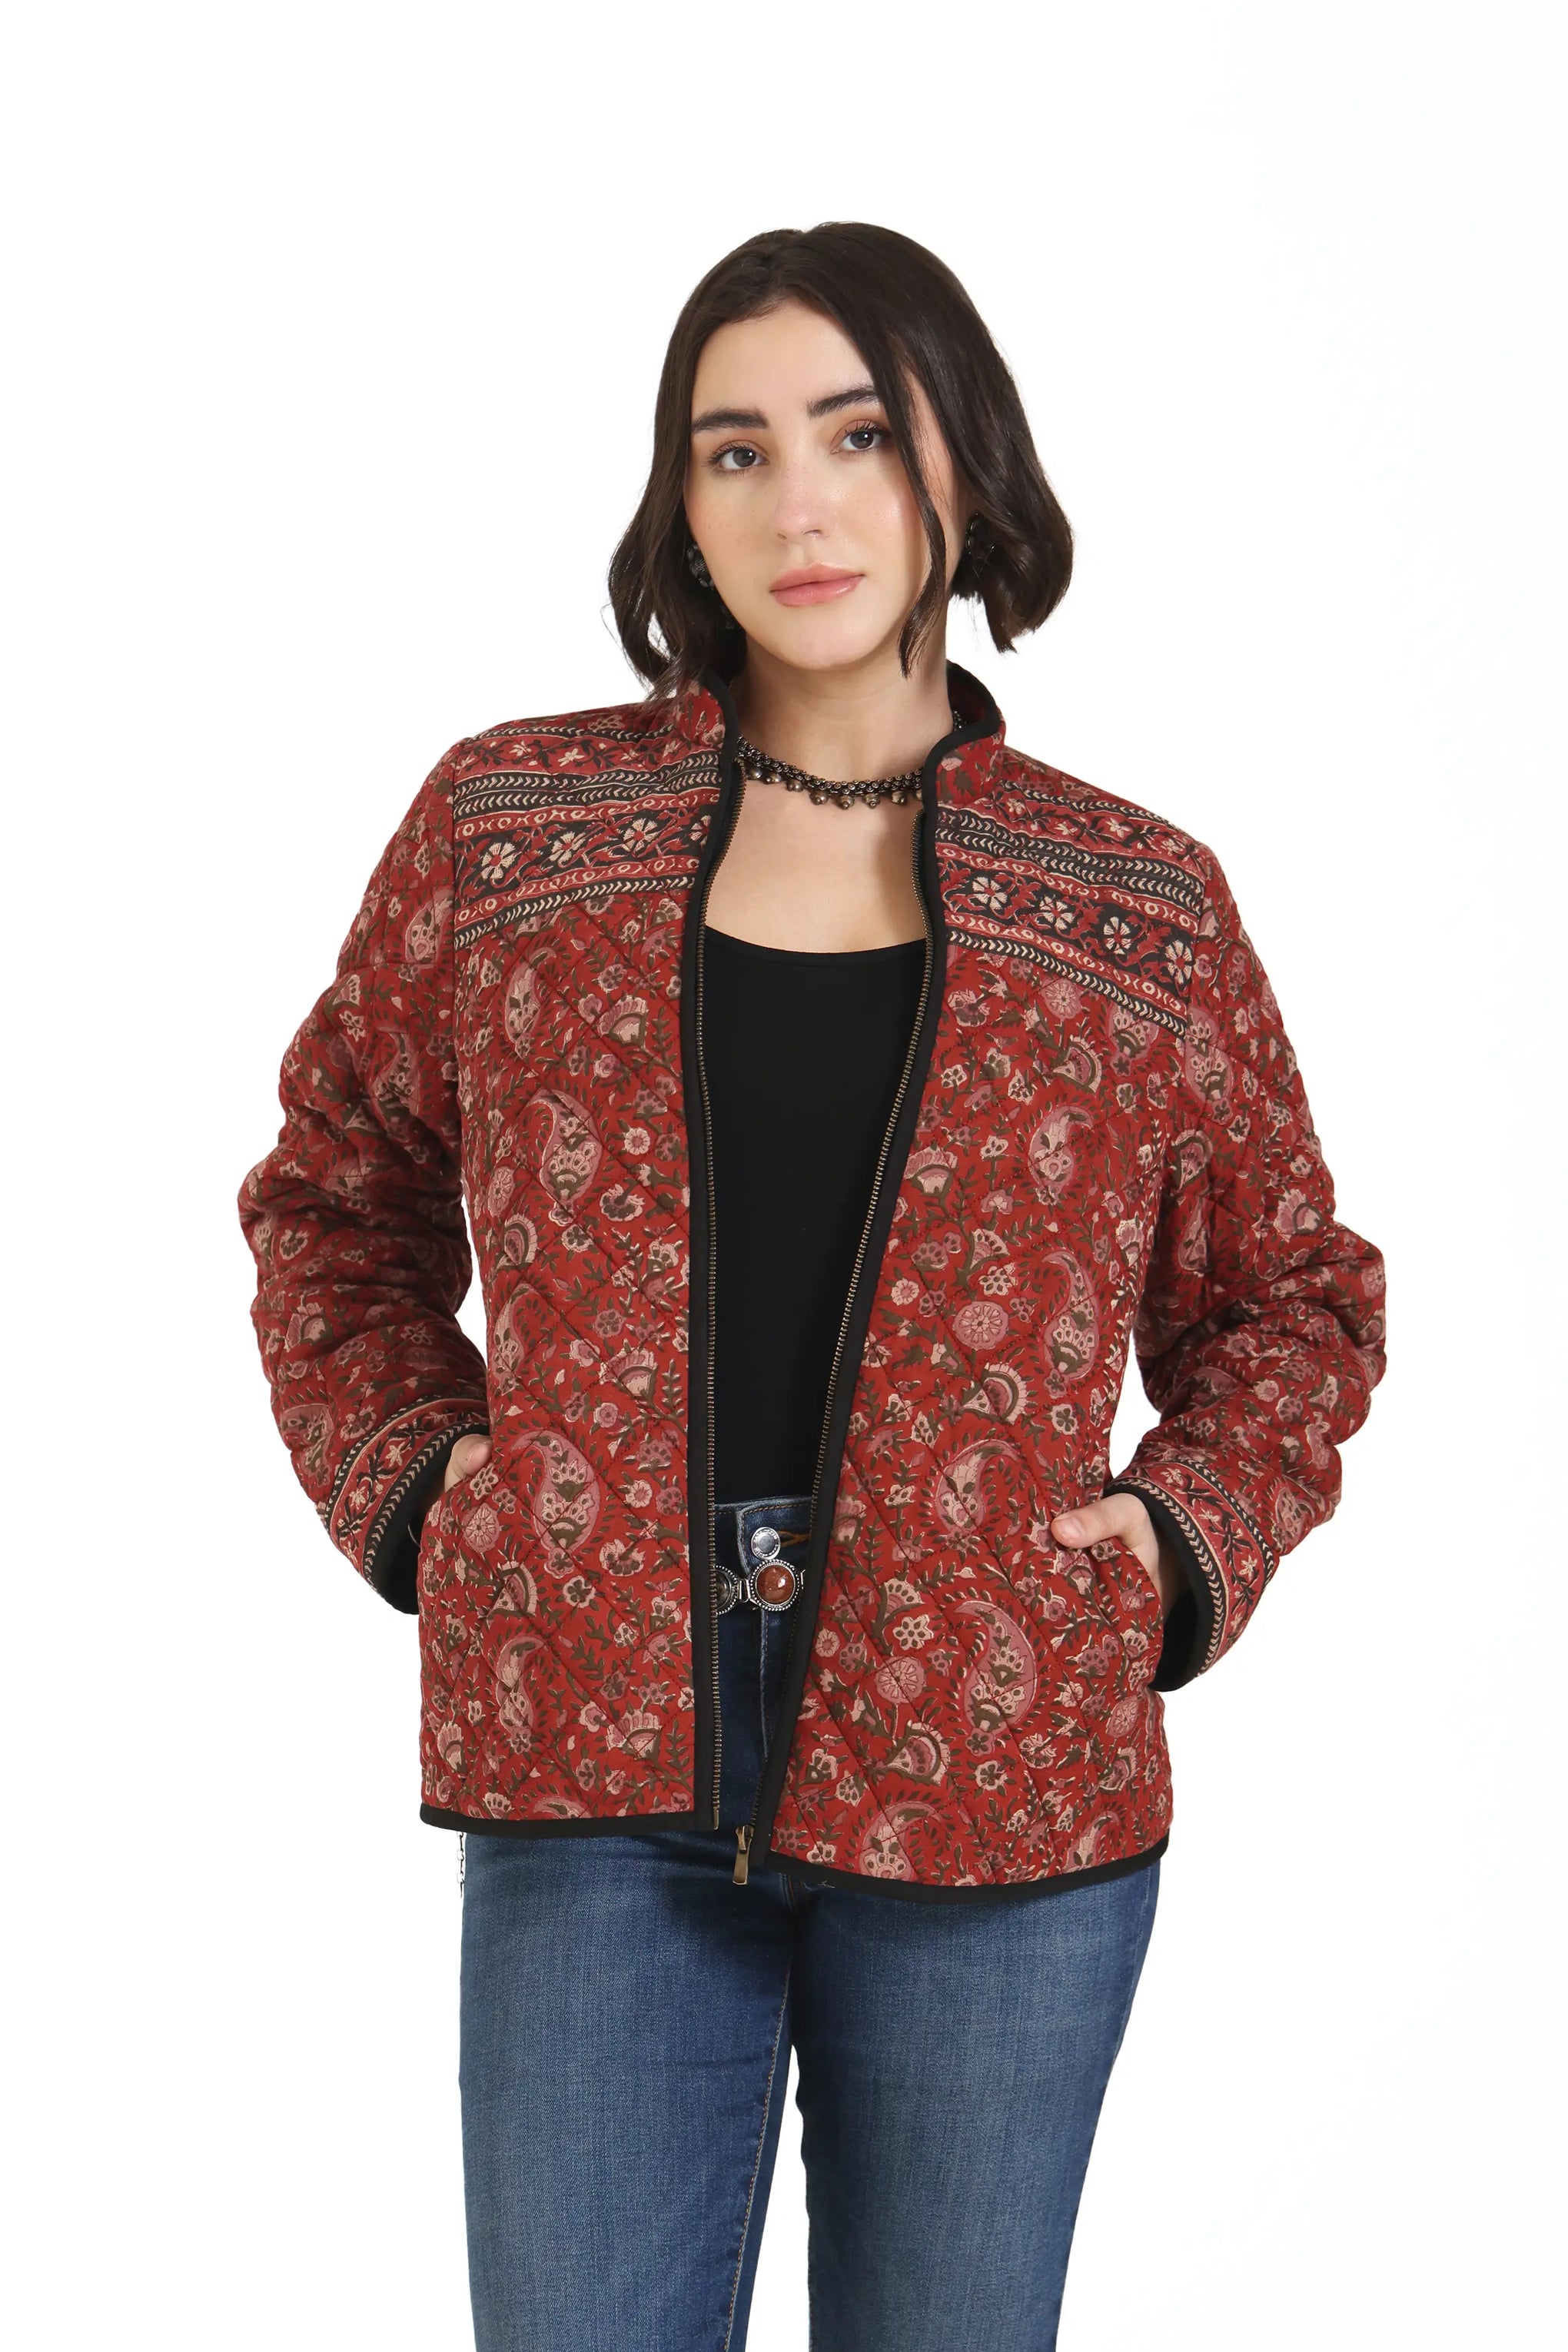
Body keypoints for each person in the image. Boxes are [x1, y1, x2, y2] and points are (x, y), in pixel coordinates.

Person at [238, 221, 1387, 2352]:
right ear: (679, 501)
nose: (801, 506)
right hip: (591, 1758)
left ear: (963, 461)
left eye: (859, 434)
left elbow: (1293, 1298)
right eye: (735, 449)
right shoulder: (511, 832)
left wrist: (1175, 1542)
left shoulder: (1134, 904)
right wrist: (414, 1481)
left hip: (997, 1773)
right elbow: (334, 1193)